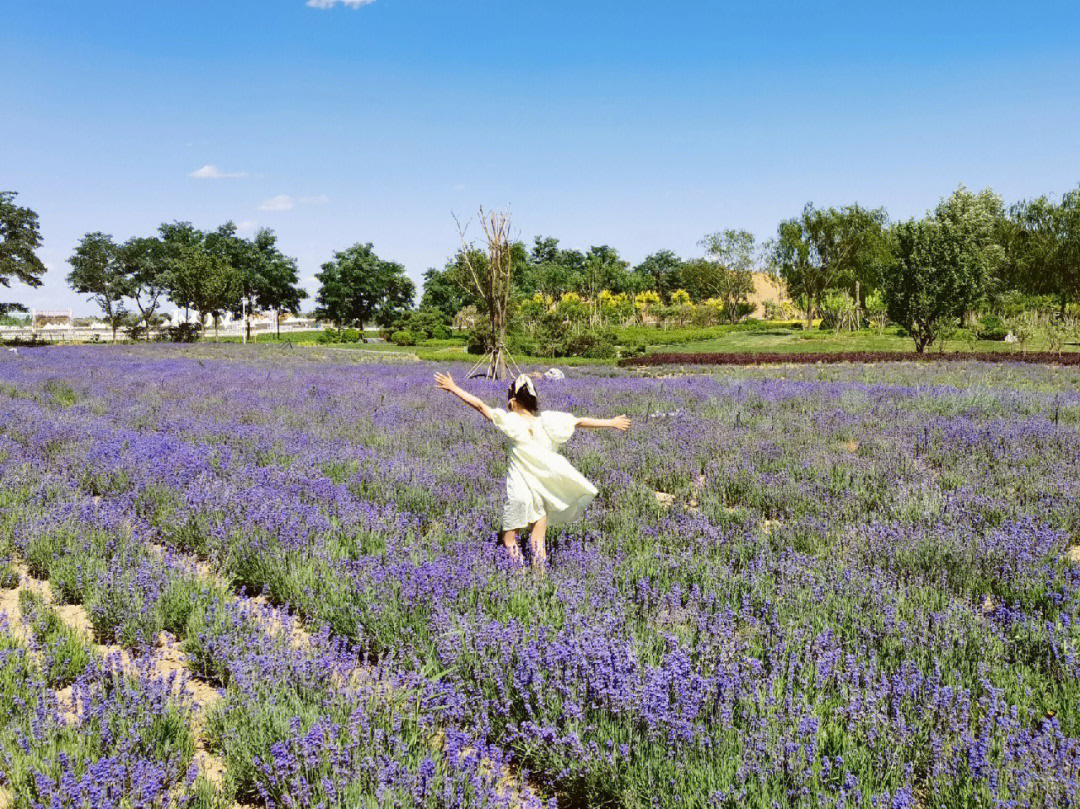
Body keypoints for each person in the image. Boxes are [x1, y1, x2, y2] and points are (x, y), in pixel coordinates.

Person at [434, 371, 631, 570]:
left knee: (509, 540)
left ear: (512, 400)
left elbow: (479, 405)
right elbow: (578, 421)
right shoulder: (547, 422)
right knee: (538, 543)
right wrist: (611, 422)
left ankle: (520, 580)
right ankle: (539, 584)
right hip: (540, 494)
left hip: (519, 493)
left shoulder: (511, 422)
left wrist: (454, 388)